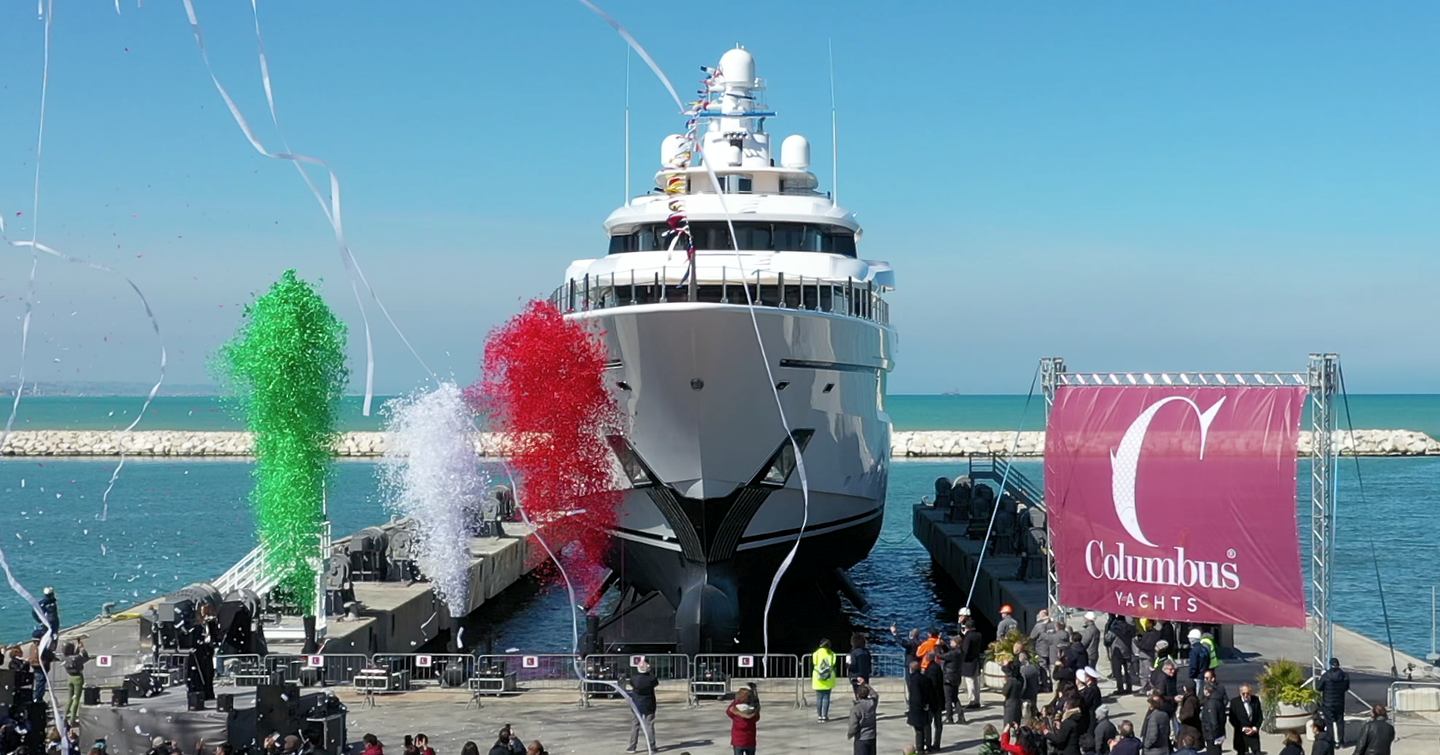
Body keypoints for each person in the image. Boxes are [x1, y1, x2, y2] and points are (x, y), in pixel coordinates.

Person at [627, 660, 659, 752]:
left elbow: (631, 683)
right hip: (649, 704)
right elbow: (655, 682)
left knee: (635, 725)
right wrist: (649, 671)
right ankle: (651, 746)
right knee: (649, 725)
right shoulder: (651, 679)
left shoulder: (634, 679)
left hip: (636, 704)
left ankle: (632, 746)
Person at [1316, 657, 1350, 744]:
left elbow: (1318, 688)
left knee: (1329, 723)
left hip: (1328, 703)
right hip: (1339, 703)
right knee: (1340, 721)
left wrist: (1320, 679)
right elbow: (1346, 688)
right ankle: (1341, 741)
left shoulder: (1326, 676)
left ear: (1330, 665)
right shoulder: (1345, 675)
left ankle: (1331, 741)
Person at [1228, 684, 1263, 755]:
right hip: (1241, 735)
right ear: (1240, 693)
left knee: (1257, 752)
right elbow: (1232, 719)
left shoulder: (1255, 700)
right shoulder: (1235, 702)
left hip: (1253, 733)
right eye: (1243, 694)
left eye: (1248, 693)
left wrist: (1255, 728)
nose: (1246, 695)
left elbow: (1259, 716)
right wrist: (1242, 728)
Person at [62, 640, 90, 725]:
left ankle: (64, 717)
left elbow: (74, 657)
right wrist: (82, 648)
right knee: (76, 699)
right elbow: (85, 657)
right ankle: (72, 719)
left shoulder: (64, 658)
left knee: (69, 698)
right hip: (77, 678)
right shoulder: (76, 658)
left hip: (70, 677)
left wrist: (77, 648)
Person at [811, 639, 839, 723]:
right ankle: (825, 716)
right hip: (828, 678)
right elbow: (833, 663)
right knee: (826, 698)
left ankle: (819, 716)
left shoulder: (816, 653)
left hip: (818, 677)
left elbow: (814, 663)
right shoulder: (832, 654)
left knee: (819, 698)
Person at [905, 661, 930, 753]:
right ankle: (924, 745)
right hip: (923, 706)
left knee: (918, 730)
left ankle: (920, 748)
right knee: (923, 727)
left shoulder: (913, 680)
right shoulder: (924, 678)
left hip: (917, 707)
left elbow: (916, 695)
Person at [923, 650, 946, 751]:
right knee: (938, 724)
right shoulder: (937, 668)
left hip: (933, 701)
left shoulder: (931, 669)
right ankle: (937, 743)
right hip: (939, 700)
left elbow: (932, 685)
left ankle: (929, 744)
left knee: (928, 723)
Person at [960, 618, 985, 709]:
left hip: (968, 662)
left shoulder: (968, 637)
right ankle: (977, 700)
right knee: (976, 682)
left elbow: (965, 650)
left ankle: (972, 701)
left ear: (967, 627)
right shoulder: (979, 635)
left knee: (969, 682)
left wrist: (962, 660)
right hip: (976, 660)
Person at [846, 683, 878, 755]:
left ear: (857, 695)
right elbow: (875, 695)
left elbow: (853, 724)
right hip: (872, 736)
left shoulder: (856, 708)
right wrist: (866, 685)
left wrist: (850, 734)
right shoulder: (872, 703)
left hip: (861, 738)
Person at [726, 687, 759, 755]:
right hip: (750, 741)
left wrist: (735, 701)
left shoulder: (735, 711)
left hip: (738, 741)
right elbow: (757, 717)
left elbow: (728, 711)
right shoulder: (752, 711)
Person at [940, 635, 965, 724]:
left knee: (948, 699)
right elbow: (948, 653)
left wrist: (935, 651)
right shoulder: (960, 652)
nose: (950, 643)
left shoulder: (953, 653)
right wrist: (943, 645)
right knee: (955, 697)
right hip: (956, 677)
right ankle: (961, 716)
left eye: (952, 642)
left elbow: (943, 656)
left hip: (949, 678)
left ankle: (949, 717)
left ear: (956, 643)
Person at [1108, 616, 1136, 695]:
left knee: (1117, 672)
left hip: (1117, 652)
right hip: (1127, 651)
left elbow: (1108, 639)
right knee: (1128, 671)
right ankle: (1129, 688)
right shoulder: (1130, 628)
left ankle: (1120, 688)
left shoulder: (1114, 629)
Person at [1199, 683, 1226, 755]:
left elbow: (1213, 721)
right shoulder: (1219, 700)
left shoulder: (1211, 703)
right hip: (1219, 734)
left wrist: (1213, 735)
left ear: (1207, 691)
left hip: (1212, 736)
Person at [1018, 651, 1043, 720]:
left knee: (1026, 712)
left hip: (1026, 694)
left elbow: (1024, 684)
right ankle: (1038, 719)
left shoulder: (1022, 670)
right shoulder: (1034, 668)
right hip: (1034, 692)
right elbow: (1038, 680)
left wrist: (1020, 694)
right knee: (1034, 708)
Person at [1185, 629, 1209, 695]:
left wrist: (1191, 676)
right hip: (1203, 675)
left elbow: (1193, 665)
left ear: (1193, 639)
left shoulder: (1194, 651)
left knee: (1196, 694)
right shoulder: (1204, 649)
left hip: (1196, 677)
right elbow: (1208, 662)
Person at [1002, 661, 1025, 727]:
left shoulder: (1011, 681)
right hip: (1018, 702)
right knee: (1017, 723)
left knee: (1008, 724)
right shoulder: (1021, 679)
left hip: (1010, 704)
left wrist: (1004, 683)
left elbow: (1004, 692)